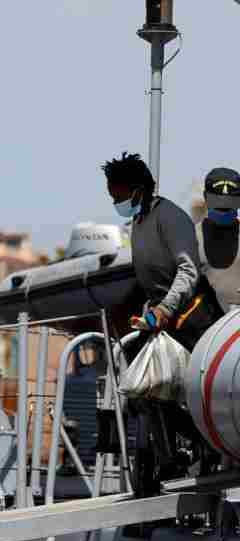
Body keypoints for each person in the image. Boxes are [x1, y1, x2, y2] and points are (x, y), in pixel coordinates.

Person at [103, 153, 225, 491]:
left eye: (119, 196)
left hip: (194, 316)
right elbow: (149, 277)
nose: (116, 202)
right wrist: (147, 310)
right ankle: (171, 458)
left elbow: (187, 270)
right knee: (143, 389)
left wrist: (164, 308)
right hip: (161, 316)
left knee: (192, 393)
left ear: (138, 190)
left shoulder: (169, 218)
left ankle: (203, 449)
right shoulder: (139, 223)